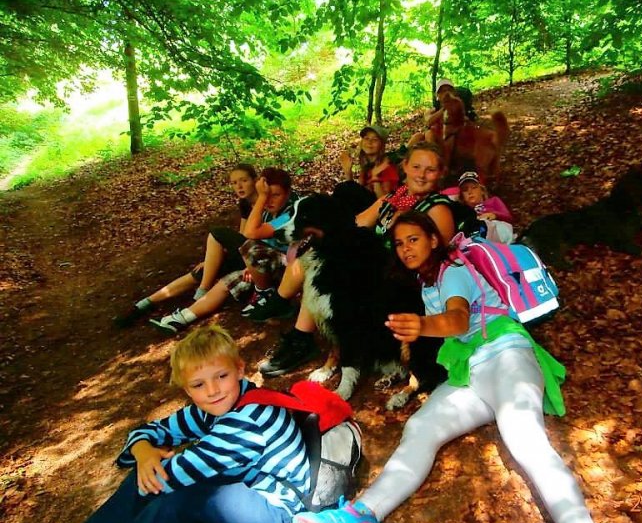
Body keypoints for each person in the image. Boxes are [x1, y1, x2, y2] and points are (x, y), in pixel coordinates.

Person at [290, 212, 616, 523]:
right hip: (471, 371)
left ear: (433, 240)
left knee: (528, 443)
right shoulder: (428, 281)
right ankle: (362, 517)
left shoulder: (454, 271)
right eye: (399, 243)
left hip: (507, 358)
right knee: (421, 427)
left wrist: (422, 326)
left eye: (413, 239)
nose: (405, 249)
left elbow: (458, 319)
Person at [41, 325, 309, 523]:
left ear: (240, 369)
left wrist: (147, 463)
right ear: (187, 390)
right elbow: (150, 431)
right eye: (199, 384)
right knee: (151, 474)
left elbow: (170, 478)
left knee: (171, 494)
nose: (212, 390)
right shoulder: (215, 406)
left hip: (277, 512)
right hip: (246, 485)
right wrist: (143, 452)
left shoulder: (247, 421)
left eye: (221, 376)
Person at [254, 142, 457, 377]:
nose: (421, 174)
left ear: (440, 173)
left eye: (430, 170)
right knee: (316, 260)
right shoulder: (393, 198)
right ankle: (289, 318)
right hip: (375, 263)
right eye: (416, 167)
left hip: (401, 279)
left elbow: (436, 261)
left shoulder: (437, 209)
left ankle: (297, 329)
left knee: (331, 275)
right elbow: (354, 224)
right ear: (405, 166)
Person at [149, 168, 297, 334]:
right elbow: (255, 239)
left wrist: (261, 198)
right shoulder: (268, 211)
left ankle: (264, 293)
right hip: (267, 264)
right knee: (226, 282)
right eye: (266, 195)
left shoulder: (292, 212)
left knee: (223, 236)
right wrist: (251, 266)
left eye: (275, 195)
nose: (269, 200)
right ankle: (181, 318)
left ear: (288, 193)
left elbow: (250, 235)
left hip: (286, 270)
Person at [113, 164, 259, 328]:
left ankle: (200, 294)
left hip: (259, 256)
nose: (239, 186)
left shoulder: (267, 203)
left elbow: (261, 239)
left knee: (217, 233)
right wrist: (214, 258)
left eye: (244, 180)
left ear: (255, 180)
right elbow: (242, 236)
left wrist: (246, 263)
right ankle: (144, 304)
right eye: (234, 183)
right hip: (246, 253)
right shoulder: (245, 203)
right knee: (203, 270)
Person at [340, 125, 399, 198]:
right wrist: (348, 172)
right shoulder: (367, 166)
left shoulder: (387, 167)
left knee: (341, 188)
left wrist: (375, 178)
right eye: (366, 138)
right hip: (361, 203)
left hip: (376, 204)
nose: (369, 142)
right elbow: (357, 193)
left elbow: (385, 201)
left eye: (375, 139)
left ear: (382, 145)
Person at [457, 170, 515, 243]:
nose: (470, 192)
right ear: (462, 197)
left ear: (482, 190)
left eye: (474, 187)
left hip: (498, 230)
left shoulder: (494, 201)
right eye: (465, 190)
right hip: (477, 235)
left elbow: (508, 217)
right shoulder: (463, 211)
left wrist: (494, 215)